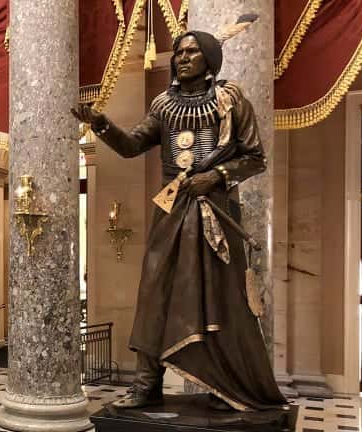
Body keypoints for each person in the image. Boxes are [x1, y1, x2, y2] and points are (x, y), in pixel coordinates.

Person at [72, 30, 287, 411]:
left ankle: (227, 385)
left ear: (209, 60)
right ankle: (147, 384)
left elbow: (255, 157)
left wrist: (217, 176)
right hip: (171, 208)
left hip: (215, 208)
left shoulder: (231, 101)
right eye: (179, 52)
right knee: (155, 292)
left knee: (219, 297)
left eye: (192, 52)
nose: (182, 58)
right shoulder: (162, 105)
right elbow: (131, 146)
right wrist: (101, 124)